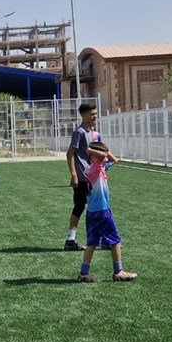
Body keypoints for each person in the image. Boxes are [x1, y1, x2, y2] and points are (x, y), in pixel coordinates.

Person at [76, 142, 137, 283]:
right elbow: (103, 156)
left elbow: (115, 160)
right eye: (102, 156)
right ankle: (118, 271)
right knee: (115, 240)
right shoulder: (93, 168)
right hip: (101, 211)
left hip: (92, 212)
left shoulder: (100, 167)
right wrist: (90, 150)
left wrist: (103, 151)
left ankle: (84, 273)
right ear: (93, 157)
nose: (105, 157)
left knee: (92, 243)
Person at [64, 102, 100, 251]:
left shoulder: (91, 132)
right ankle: (70, 240)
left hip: (91, 176)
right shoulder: (79, 132)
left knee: (98, 206)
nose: (95, 116)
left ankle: (101, 238)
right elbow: (70, 153)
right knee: (79, 206)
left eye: (96, 114)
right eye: (92, 114)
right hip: (83, 177)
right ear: (83, 115)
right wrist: (74, 174)